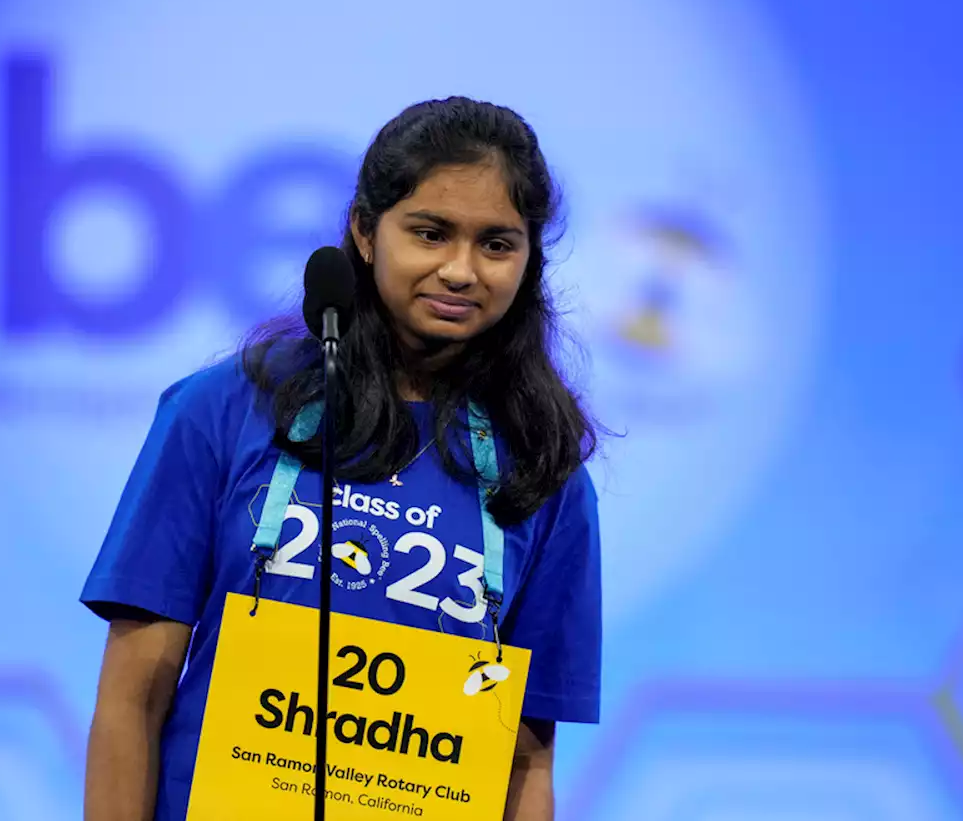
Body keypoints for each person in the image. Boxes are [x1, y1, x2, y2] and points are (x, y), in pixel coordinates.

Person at [81, 96, 604, 820]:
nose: (461, 270)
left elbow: (526, 757)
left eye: (496, 244)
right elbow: (131, 699)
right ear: (364, 231)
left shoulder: (544, 467)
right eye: (430, 233)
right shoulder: (222, 411)